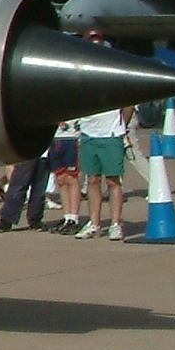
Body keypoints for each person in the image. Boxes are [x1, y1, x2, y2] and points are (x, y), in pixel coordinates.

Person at [72, 32, 130, 240]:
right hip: (89, 132)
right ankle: (94, 222)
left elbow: (128, 104)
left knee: (113, 180)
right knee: (92, 180)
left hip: (110, 132)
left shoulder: (114, 75)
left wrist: (122, 127)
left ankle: (115, 222)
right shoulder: (81, 75)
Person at [0, 145, 52, 232]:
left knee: (39, 187)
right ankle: (7, 220)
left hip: (44, 151)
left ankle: (35, 219)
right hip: (29, 150)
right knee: (19, 184)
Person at [44, 119, 83, 233]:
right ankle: (67, 216)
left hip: (71, 138)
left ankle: (74, 218)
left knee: (71, 178)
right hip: (55, 139)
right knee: (60, 178)